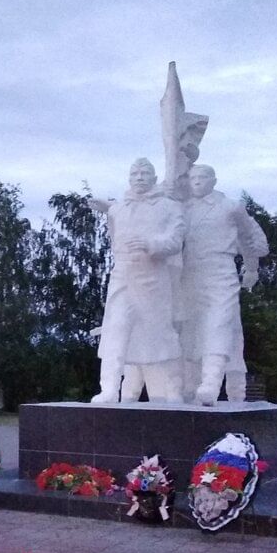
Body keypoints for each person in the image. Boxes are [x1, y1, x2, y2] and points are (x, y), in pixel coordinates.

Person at [88, 158, 186, 403]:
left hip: (153, 281)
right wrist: (106, 207)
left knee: (158, 337)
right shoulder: (119, 207)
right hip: (123, 278)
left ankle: (167, 392)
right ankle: (109, 389)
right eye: (135, 173)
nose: (140, 177)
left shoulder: (169, 207)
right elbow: (115, 219)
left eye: (145, 173)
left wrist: (152, 244)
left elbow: (176, 240)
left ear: (154, 178)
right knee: (115, 330)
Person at [181, 164, 270, 405]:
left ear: (214, 180)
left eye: (202, 177)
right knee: (190, 329)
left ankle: (210, 382)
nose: (197, 181)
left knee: (218, 324)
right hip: (189, 275)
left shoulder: (230, 207)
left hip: (220, 271)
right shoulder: (182, 208)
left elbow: (251, 240)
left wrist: (251, 268)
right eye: (193, 177)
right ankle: (189, 388)